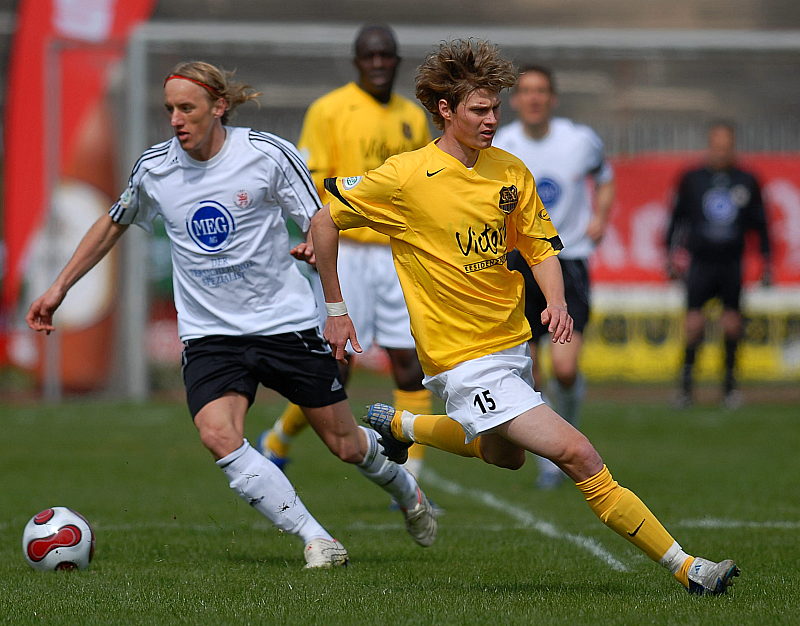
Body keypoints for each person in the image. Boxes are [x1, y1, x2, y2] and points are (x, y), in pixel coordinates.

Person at [311, 39, 739, 595]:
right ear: (445, 109)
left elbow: (539, 248)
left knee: (504, 456)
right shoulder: (406, 176)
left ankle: (402, 425)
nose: (492, 120)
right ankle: (689, 568)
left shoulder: (510, 171)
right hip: (463, 359)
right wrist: (336, 308)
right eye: (479, 110)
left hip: (512, 346)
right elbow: (324, 220)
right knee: (578, 453)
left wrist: (556, 303)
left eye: (495, 108)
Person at [25, 61, 437, 569]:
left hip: (283, 324)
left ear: (219, 106)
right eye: (170, 109)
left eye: (187, 108)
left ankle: (407, 490)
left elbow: (320, 219)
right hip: (210, 334)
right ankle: (317, 539)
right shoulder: (155, 168)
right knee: (218, 434)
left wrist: (329, 292)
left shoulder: (266, 154)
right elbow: (114, 222)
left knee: (347, 445)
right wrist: (59, 287)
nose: (176, 119)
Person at [259, 24, 434, 481]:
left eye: (386, 55)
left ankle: (412, 475)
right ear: (357, 61)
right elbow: (311, 180)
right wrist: (313, 235)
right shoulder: (329, 110)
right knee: (338, 366)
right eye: (369, 56)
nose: (378, 63)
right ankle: (278, 438)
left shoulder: (412, 117)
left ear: (396, 61)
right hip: (347, 251)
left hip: (396, 253)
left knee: (409, 362)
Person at [493, 65, 615, 489]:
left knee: (564, 368)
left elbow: (605, 177)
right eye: (526, 90)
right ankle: (551, 461)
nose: (533, 98)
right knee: (531, 373)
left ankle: (572, 428)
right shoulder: (501, 144)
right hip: (518, 264)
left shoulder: (579, 140)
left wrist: (600, 217)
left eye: (541, 90)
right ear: (515, 99)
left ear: (552, 98)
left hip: (569, 260)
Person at [665, 121, 772, 409]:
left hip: (731, 263)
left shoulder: (746, 180)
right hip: (701, 262)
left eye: (726, 146)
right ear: (710, 145)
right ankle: (686, 388)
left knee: (732, 324)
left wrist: (766, 261)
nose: (721, 151)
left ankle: (729, 388)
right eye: (717, 145)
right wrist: (671, 256)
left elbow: (761, 224)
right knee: (693, 323)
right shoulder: (692, 178)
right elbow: (677, 219)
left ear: (733, 146)